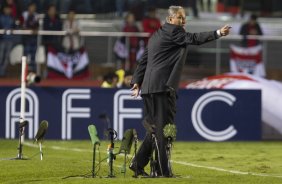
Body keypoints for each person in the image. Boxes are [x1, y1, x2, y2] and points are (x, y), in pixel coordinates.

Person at [129, 6, 231, 177]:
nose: (183, 21)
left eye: (184, 18)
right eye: (180, 18)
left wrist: (137, 82)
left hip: (150, 88)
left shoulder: (156, 35)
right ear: (170, 19)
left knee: (155, 130)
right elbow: (194, 38)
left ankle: (137, 163)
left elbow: (143, 61)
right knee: (164, 131)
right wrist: (218, 33)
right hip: (161, 88)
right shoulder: (174, 32)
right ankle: (163, 172)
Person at [22, 2, 39, 72]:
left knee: (33, 54)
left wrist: (34, 30)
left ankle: (32, 70)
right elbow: (22, 26)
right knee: (25, 54)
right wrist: (27, 30)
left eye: (34, 7)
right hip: (25, 37)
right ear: (28, 7)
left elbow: (37, 27)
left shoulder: (36, 16)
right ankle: (23, 70)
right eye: (31, 7)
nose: (32, 9)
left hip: (33, 37)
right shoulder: (24, 14)